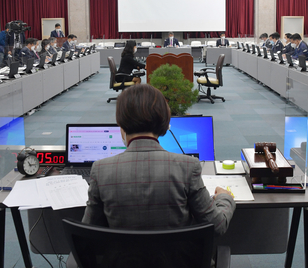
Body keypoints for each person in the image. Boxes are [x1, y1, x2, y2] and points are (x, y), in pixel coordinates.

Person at [82, 84, 235, 248]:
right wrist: (224, 198)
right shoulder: (188, 166)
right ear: (164, 123)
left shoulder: (100, 169)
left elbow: (88, 232)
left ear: (121, 125)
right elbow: (217, 226)